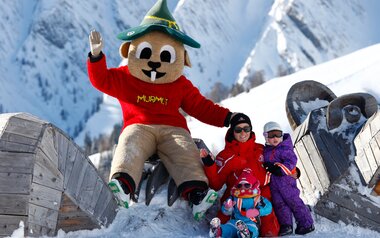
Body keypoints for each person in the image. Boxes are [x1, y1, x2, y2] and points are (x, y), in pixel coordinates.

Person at [201, 113, 280, 236]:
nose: (243, 133)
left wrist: (292, 170)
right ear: (232, 131)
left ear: (251, 130)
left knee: (267, 212)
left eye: (246, 129)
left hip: (260, 191)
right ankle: (220, 231)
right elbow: (216, 184)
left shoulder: (261, 149)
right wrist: (209, 164)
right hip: (235, 193)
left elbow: (279, 162)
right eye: (238, 130)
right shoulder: (225, 155)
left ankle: (266, 233)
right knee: (225, 213)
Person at [262, 121, 315, 236]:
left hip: (286, 182)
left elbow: (292, 161)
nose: (275, 137)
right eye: (271, 135)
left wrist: (279, 169)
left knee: (294, 202)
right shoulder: (265, 151)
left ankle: (306, 224)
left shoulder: (285, 148)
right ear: (265, 137)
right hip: (274, 184)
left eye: (278, 134)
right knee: (279, 204)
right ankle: (286, 225)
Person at [209, 169, 272, 238]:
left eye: (247, 185)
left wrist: (257, 211)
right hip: (235, 221)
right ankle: (219, 232)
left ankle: (246, 234)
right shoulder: (234, 197)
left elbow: (268, 207)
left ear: (253, 185)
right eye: (240, 186)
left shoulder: (257, 198)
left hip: (251, 223)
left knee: (252, 230)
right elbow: (225, 211)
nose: (243, 188)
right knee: (228, 227)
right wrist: (227, 208)